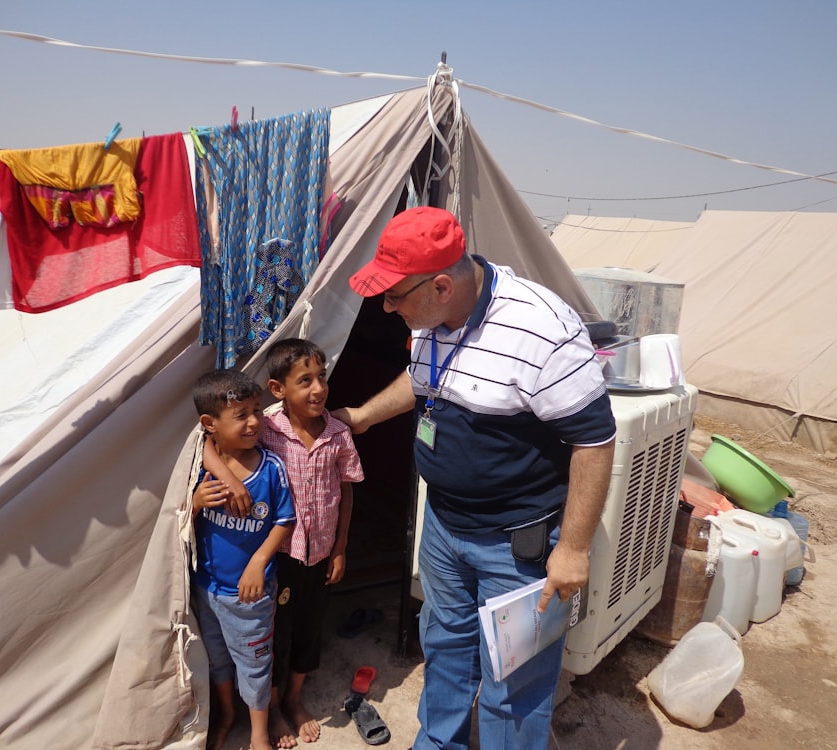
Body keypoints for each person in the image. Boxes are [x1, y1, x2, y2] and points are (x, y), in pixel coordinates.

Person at [334, 206, 617, 750]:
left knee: (514, 679)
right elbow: (424, 385)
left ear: (441, 286)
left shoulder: (542, 331)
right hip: (444, 526)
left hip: (518, 543)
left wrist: (575, 548)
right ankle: (438, 743)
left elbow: (594, 441)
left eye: (394, 295)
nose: (385, 306)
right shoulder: (430, 321)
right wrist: (364, 415)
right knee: (444, 646)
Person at [258, 337, 366, 748]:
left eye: (322, 377)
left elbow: (348, 489)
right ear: (278, 389)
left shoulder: (338, 435)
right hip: (279, 556)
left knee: (308, 628)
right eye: (305, 380)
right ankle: (268, 707)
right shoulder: (266, 428)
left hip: (319, 553)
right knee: (274, 632)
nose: (318, 388)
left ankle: (294, 699)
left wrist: (340, 547)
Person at [190, 369, 296, 750]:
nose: (254, 421)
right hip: (206, 589)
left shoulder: (270, 469)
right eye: (241, 415)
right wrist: (197, 503)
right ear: (210, 424)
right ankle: (227, 715)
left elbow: (285, 519)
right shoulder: (200, 470)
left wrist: (259, 562)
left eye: (257, 410)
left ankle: (258, 735)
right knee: (217, 659)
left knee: (254, 665)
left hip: (249, 595)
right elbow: (178, 515)